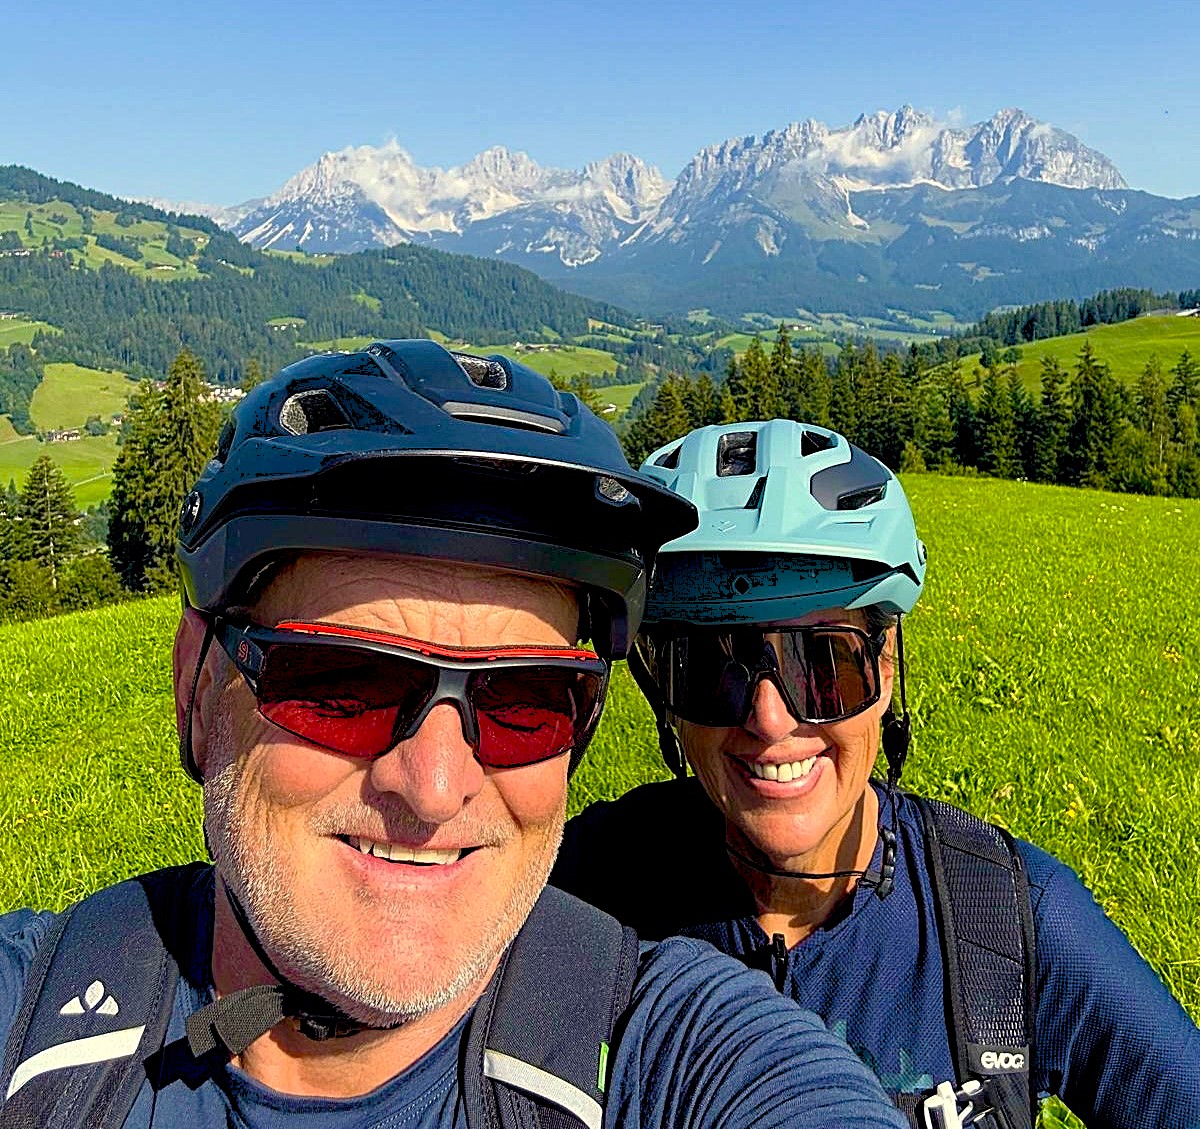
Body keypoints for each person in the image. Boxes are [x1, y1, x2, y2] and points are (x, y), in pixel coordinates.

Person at [0, 345, 909, 1129]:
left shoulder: (665, 1050)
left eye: (529, 700)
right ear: (198, 685)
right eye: (344, 683)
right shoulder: (29, 1021)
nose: (434, 786)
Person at [552, 418, 1200, 1129]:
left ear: (885, 667)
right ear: (660, 689)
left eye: (824, 665)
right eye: (712, 668)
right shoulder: (574, 897)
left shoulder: (1000, 919)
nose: (769, 719)